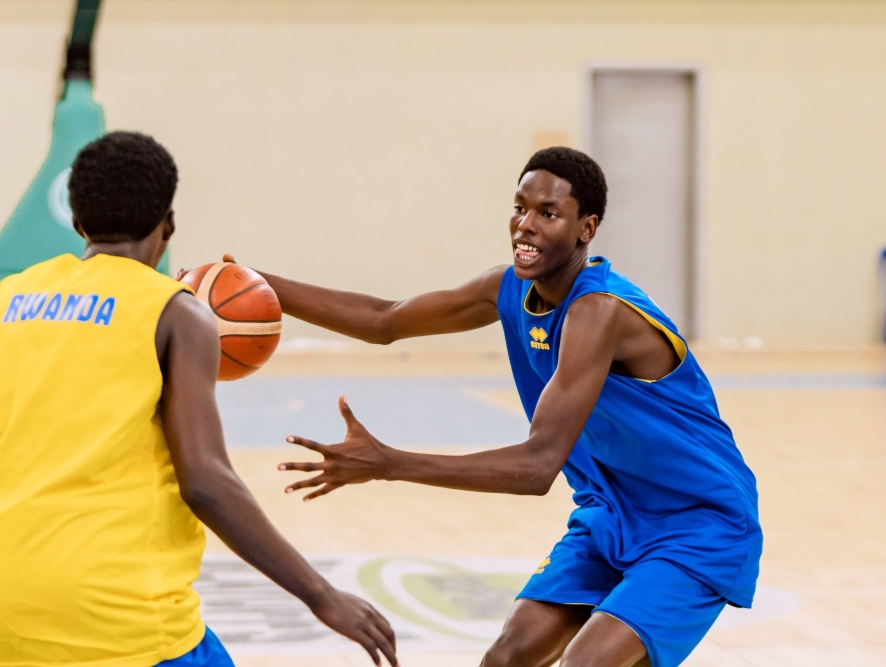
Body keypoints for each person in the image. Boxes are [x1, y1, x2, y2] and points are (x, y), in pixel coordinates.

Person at [239, 147, 762, 667]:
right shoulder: (506, 288)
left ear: (587, 228)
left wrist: (390, 463)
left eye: (548, 214)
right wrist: (254, 285)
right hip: (611, 513)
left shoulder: (600, 311)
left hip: (698, 523)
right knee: (506, 658)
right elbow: (385, 320)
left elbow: (537, 467)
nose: (525, 225)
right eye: (520, 207)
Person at [0, 131, 397, 667]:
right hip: (116, 618)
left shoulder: (7, 300)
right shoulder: (175, 313)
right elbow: (206, 484)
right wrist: (321, 595)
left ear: (78, 222)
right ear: (169, 224)